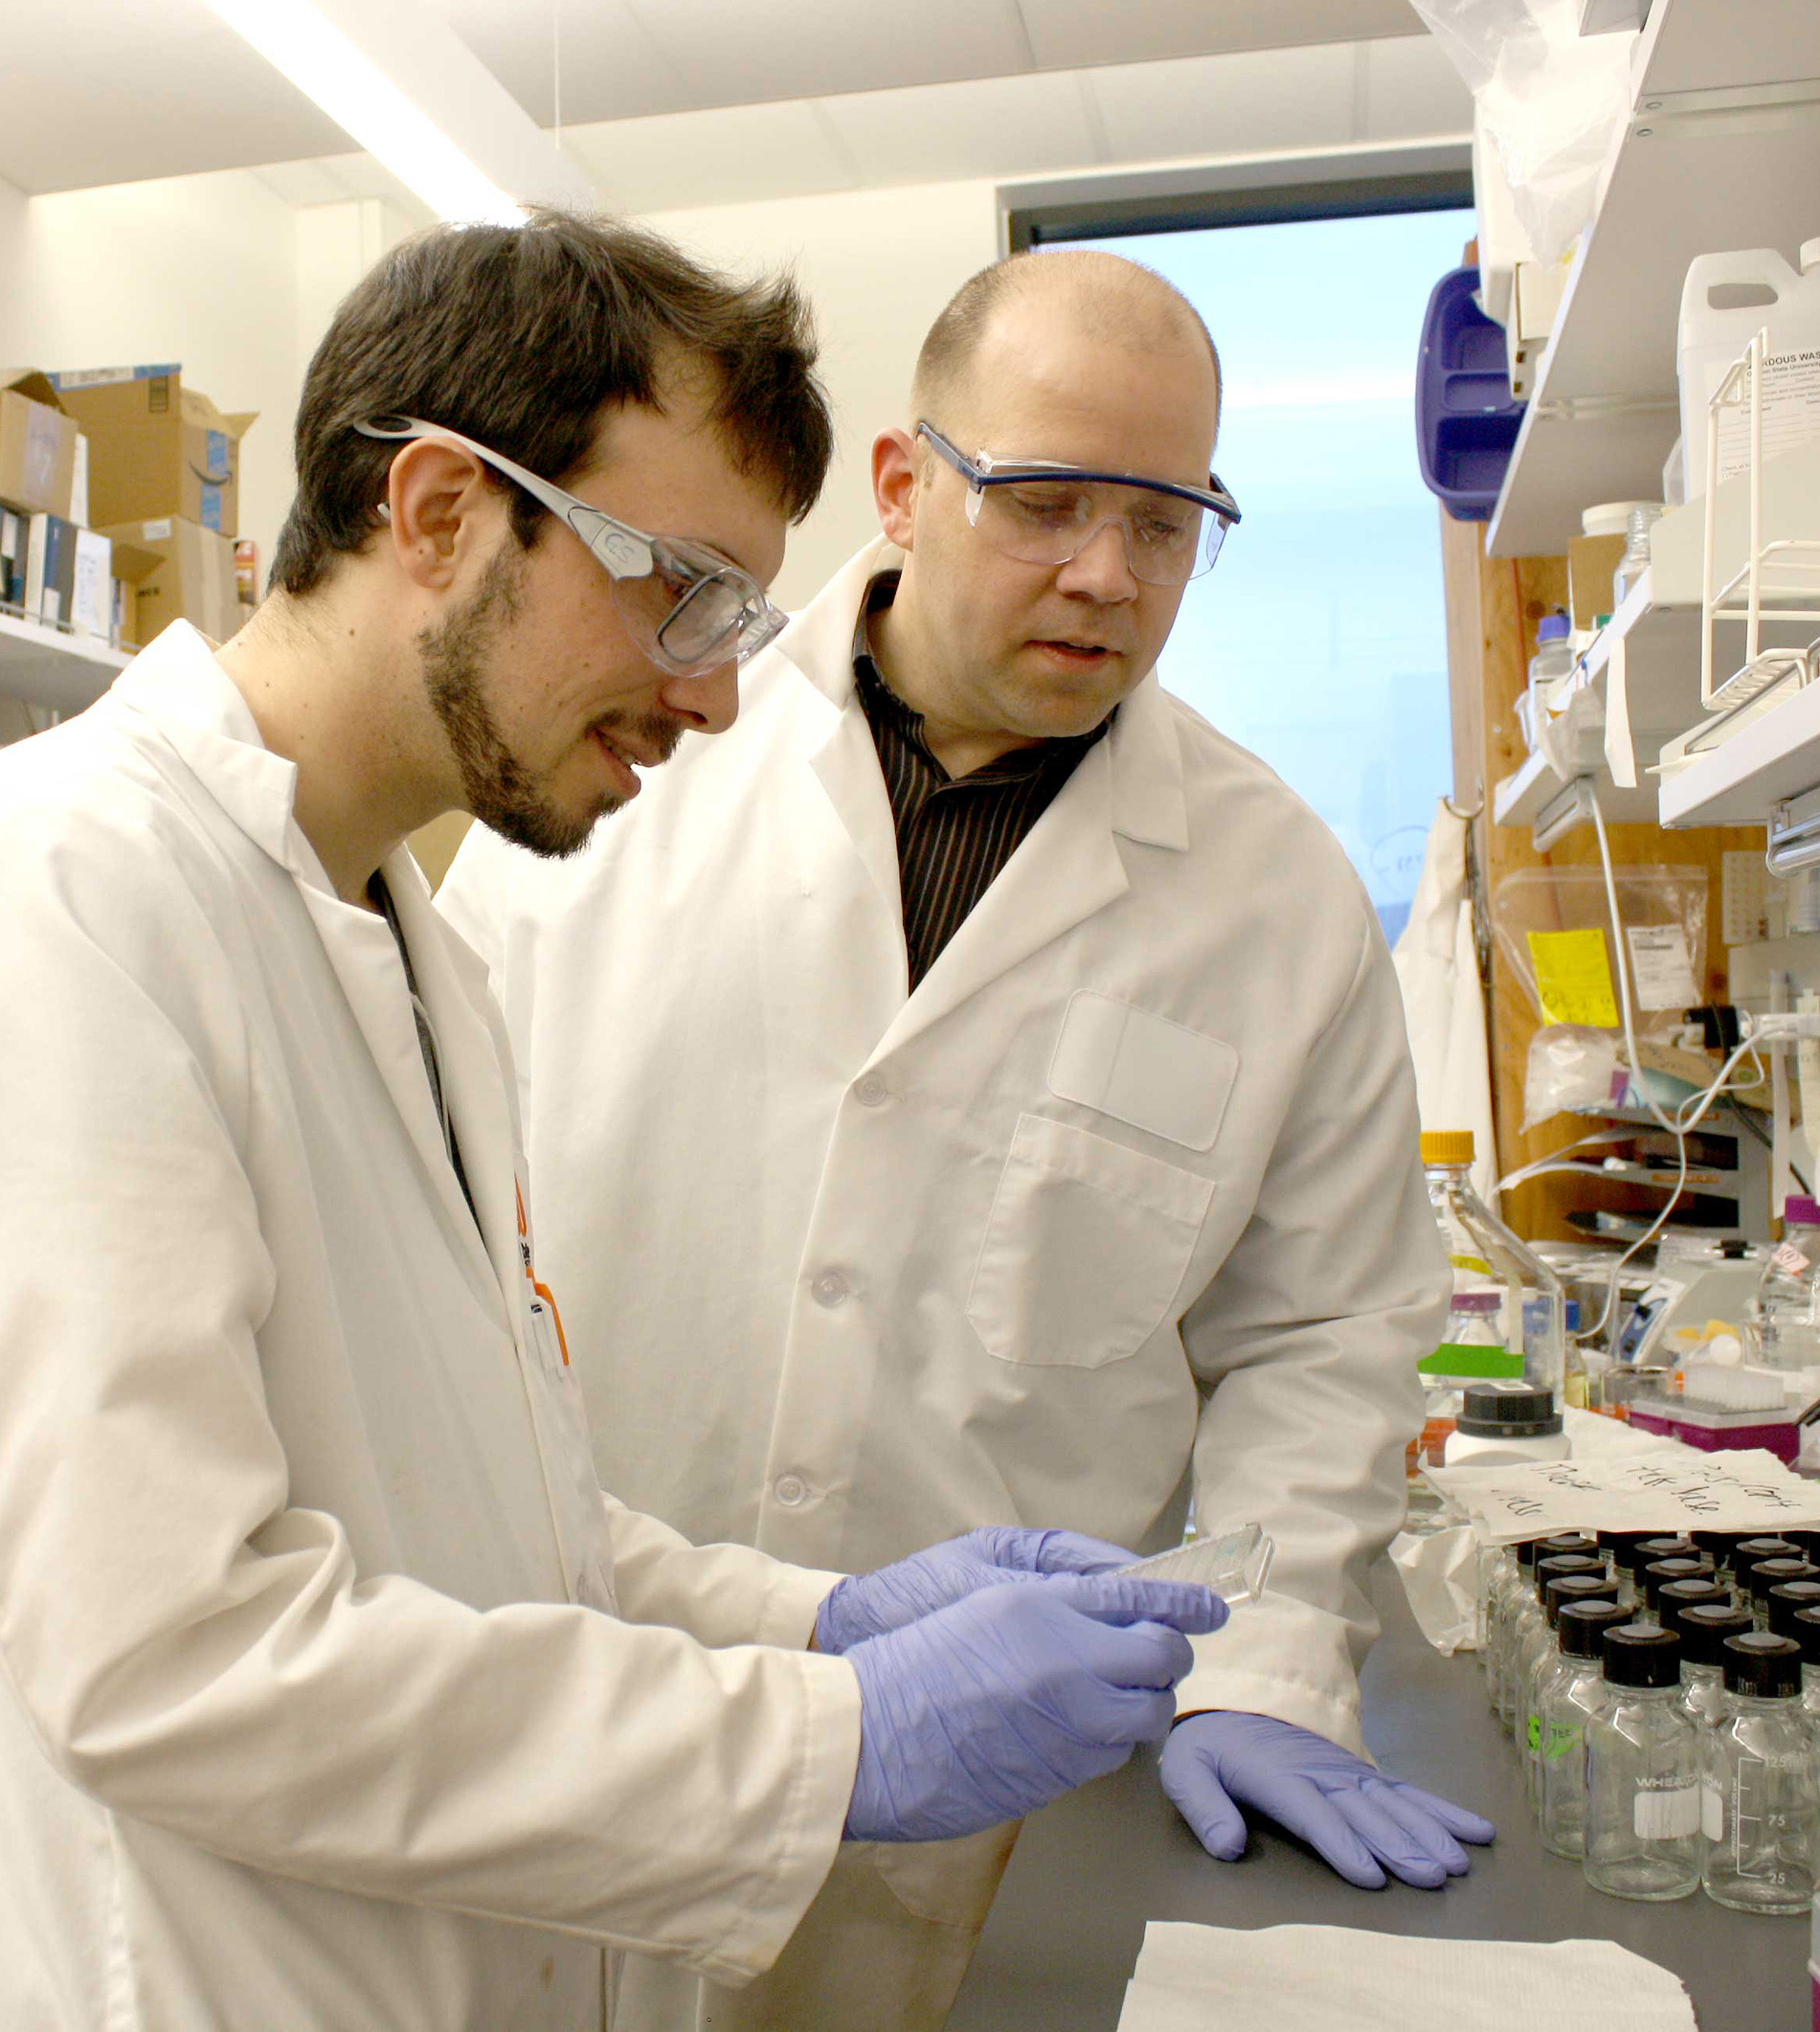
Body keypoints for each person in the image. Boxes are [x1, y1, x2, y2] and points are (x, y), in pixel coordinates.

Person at [0, 214, 1230, 2030]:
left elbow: (514, 1530)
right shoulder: (69, 896)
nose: (722, 691)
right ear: (433, 512)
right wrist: (840, 1736)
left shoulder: (413, 946)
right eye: (681, 587)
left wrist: (827, 1623)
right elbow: (175, 1652)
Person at [438, 246, 1495, 2029]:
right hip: (585, 1718)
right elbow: (438, 1204)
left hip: (973, 1827)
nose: (1109, 573)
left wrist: (1264, 1665)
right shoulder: (625, 763)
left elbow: (1323, 1336)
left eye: (1167, 522)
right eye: (1048, 499)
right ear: (907, 486)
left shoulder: (1277, 894)